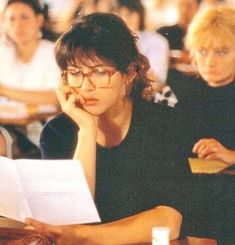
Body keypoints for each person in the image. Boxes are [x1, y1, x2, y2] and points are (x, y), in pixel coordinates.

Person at [26, 13, 193, 244]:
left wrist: (84, 236)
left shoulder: (162, 123)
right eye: (75, 73)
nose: (86, 86)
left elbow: (168, 221)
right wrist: (86, 129)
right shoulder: (58, 132)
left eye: (100, 72)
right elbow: (69, 221)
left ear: (130, 73)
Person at [156, 6, 235, 243]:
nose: (209, 61)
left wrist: (231, 155)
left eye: (222, 52)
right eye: (202, 50)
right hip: (192, 190)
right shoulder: (182, 91)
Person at [0, 0, 60, 158]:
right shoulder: (3, 52)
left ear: (39, 20)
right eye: (11, 19)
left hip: (46, 130)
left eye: (24, 17)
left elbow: (55, 97)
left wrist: (4, 90)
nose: (18, 25)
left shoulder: (54, 52)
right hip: (8, 125)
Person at [116, 0, 169, 83]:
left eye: (128, 14)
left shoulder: (156, 41)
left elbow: (156, 80)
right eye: (120, 15)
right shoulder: (110, 42)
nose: (125, 19)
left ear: (138, 16)